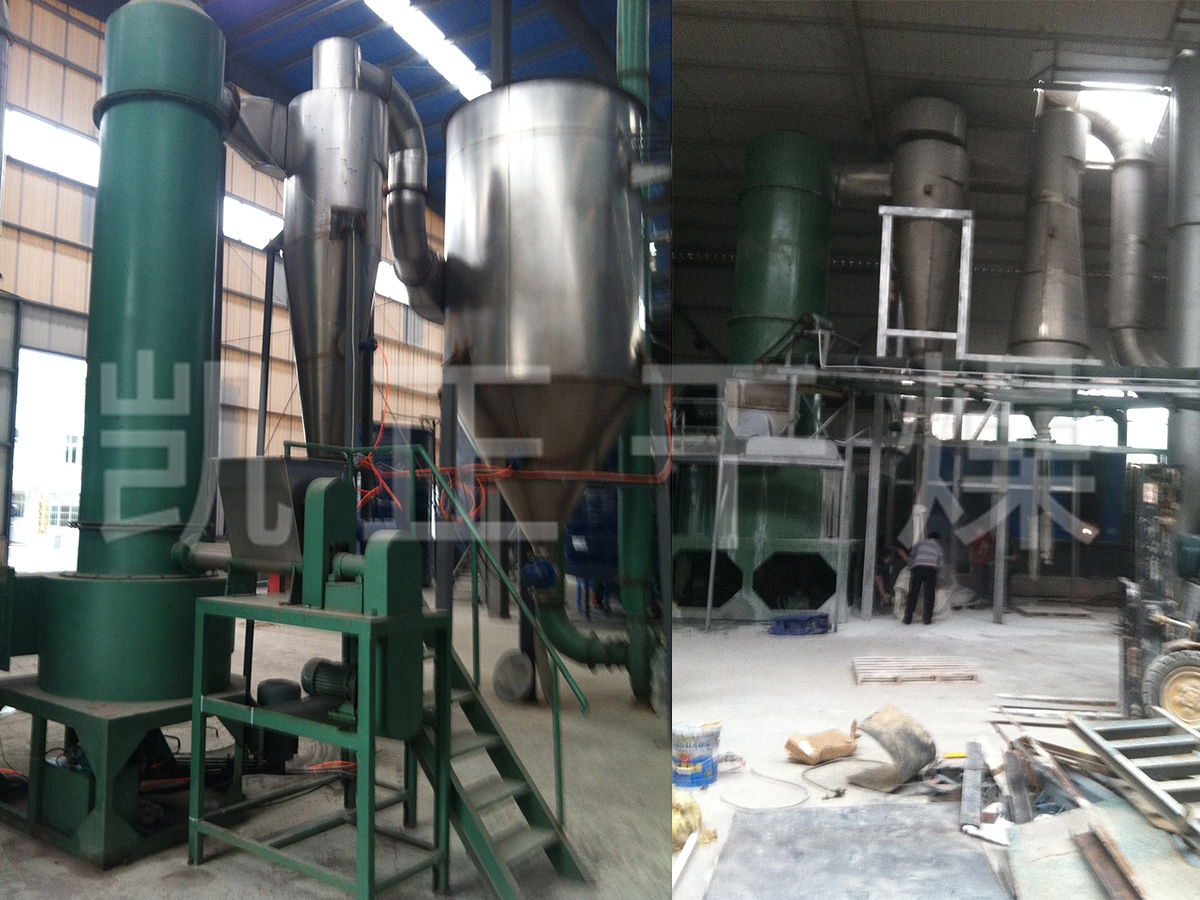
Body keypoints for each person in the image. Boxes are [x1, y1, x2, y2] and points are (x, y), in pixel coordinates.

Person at [905, 530, 943, 625]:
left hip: (918, 568)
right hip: (931, 570)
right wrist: (938, 580)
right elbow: (940, 564)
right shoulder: (937, 546)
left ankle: (907, 618)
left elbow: (912, 556)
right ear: (937, 539)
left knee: (913, 593)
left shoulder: (919, 543)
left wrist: (911, 567)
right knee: (930, 595)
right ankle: (927, 619)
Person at [969, 528, 996, 606]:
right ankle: (980, 597)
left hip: (985, 562)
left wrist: (991, 559)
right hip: (979, 562)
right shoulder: (976, 539)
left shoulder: (987, 538)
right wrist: (971, 565)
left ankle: (983, 597)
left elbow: (991, 549)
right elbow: (972, 551)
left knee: (984, 580)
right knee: (980, 580)